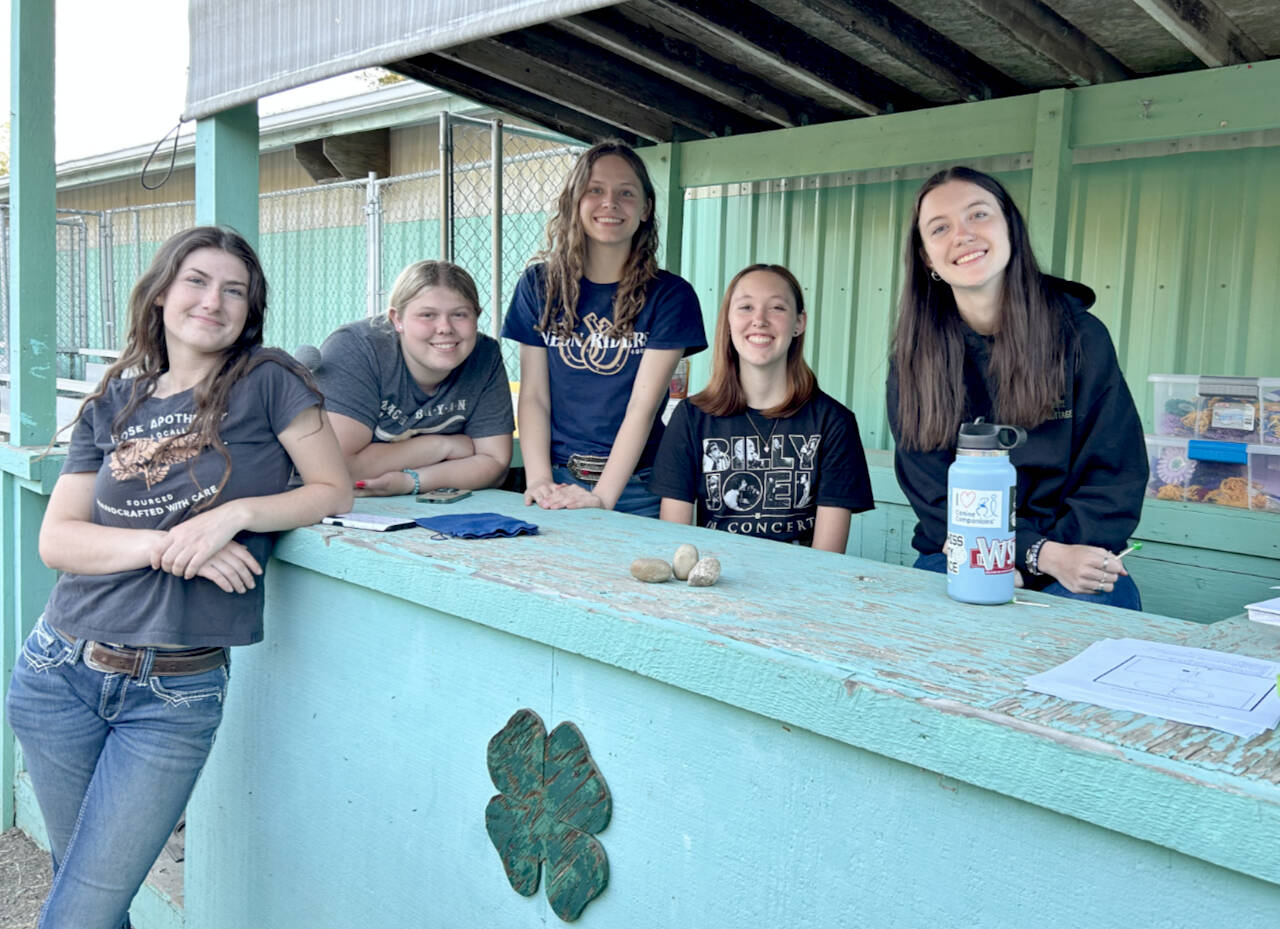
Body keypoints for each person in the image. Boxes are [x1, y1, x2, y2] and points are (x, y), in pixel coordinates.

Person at [5, 226, 352, 929]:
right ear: (162, 292)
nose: (213, 300)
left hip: (174, 692)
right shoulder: (115, 402)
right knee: (94, 906)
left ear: (249, 308)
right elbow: (58, 540)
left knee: (78, 913)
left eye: (234, 289)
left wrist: (239, 514)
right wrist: (168, 542)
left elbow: (332, 489)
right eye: (197, 280)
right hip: (58, 670)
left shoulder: (270, 382)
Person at [886, 166, 1147, 609]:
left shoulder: (1081, 338)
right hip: (960, 553)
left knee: (1100, 627)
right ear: (927, 258)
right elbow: (933, 498)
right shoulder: (915, 361)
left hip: (1074, 555)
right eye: (940, 227)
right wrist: (1024, 554)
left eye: (979, 215)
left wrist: (1050, 558)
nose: (962, 234)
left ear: (1010, 227)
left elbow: (1113, 476)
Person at [502, 140, 707, 516]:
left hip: (637, 484)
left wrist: (602, 497)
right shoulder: (538, 286)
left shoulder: (670, 296)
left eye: (626, 193)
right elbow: (533, 395)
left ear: (646, 209)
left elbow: (641, 408)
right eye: (595, 190)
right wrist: (538, 481)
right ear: (574, 202)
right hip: (557, 479)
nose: (610, 202)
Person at [650, 264, 873, 551]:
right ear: (728, 321)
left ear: (799, 323)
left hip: (800, 588)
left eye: (777, 308)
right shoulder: (691, 419)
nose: (759, 320)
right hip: (715, 584)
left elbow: (828, 557)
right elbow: (677, 546)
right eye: (745, 307)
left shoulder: (833, 423)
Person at [313, 260, 514, 496]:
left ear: (477, 316)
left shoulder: (484, 355)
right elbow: (337, 468)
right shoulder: (356, 349)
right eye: (427, 315)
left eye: (459, 314)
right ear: (397, 319)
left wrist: (412, 481)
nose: (444, 328)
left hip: (428, 506)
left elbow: (495, 465)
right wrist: (441, 446)